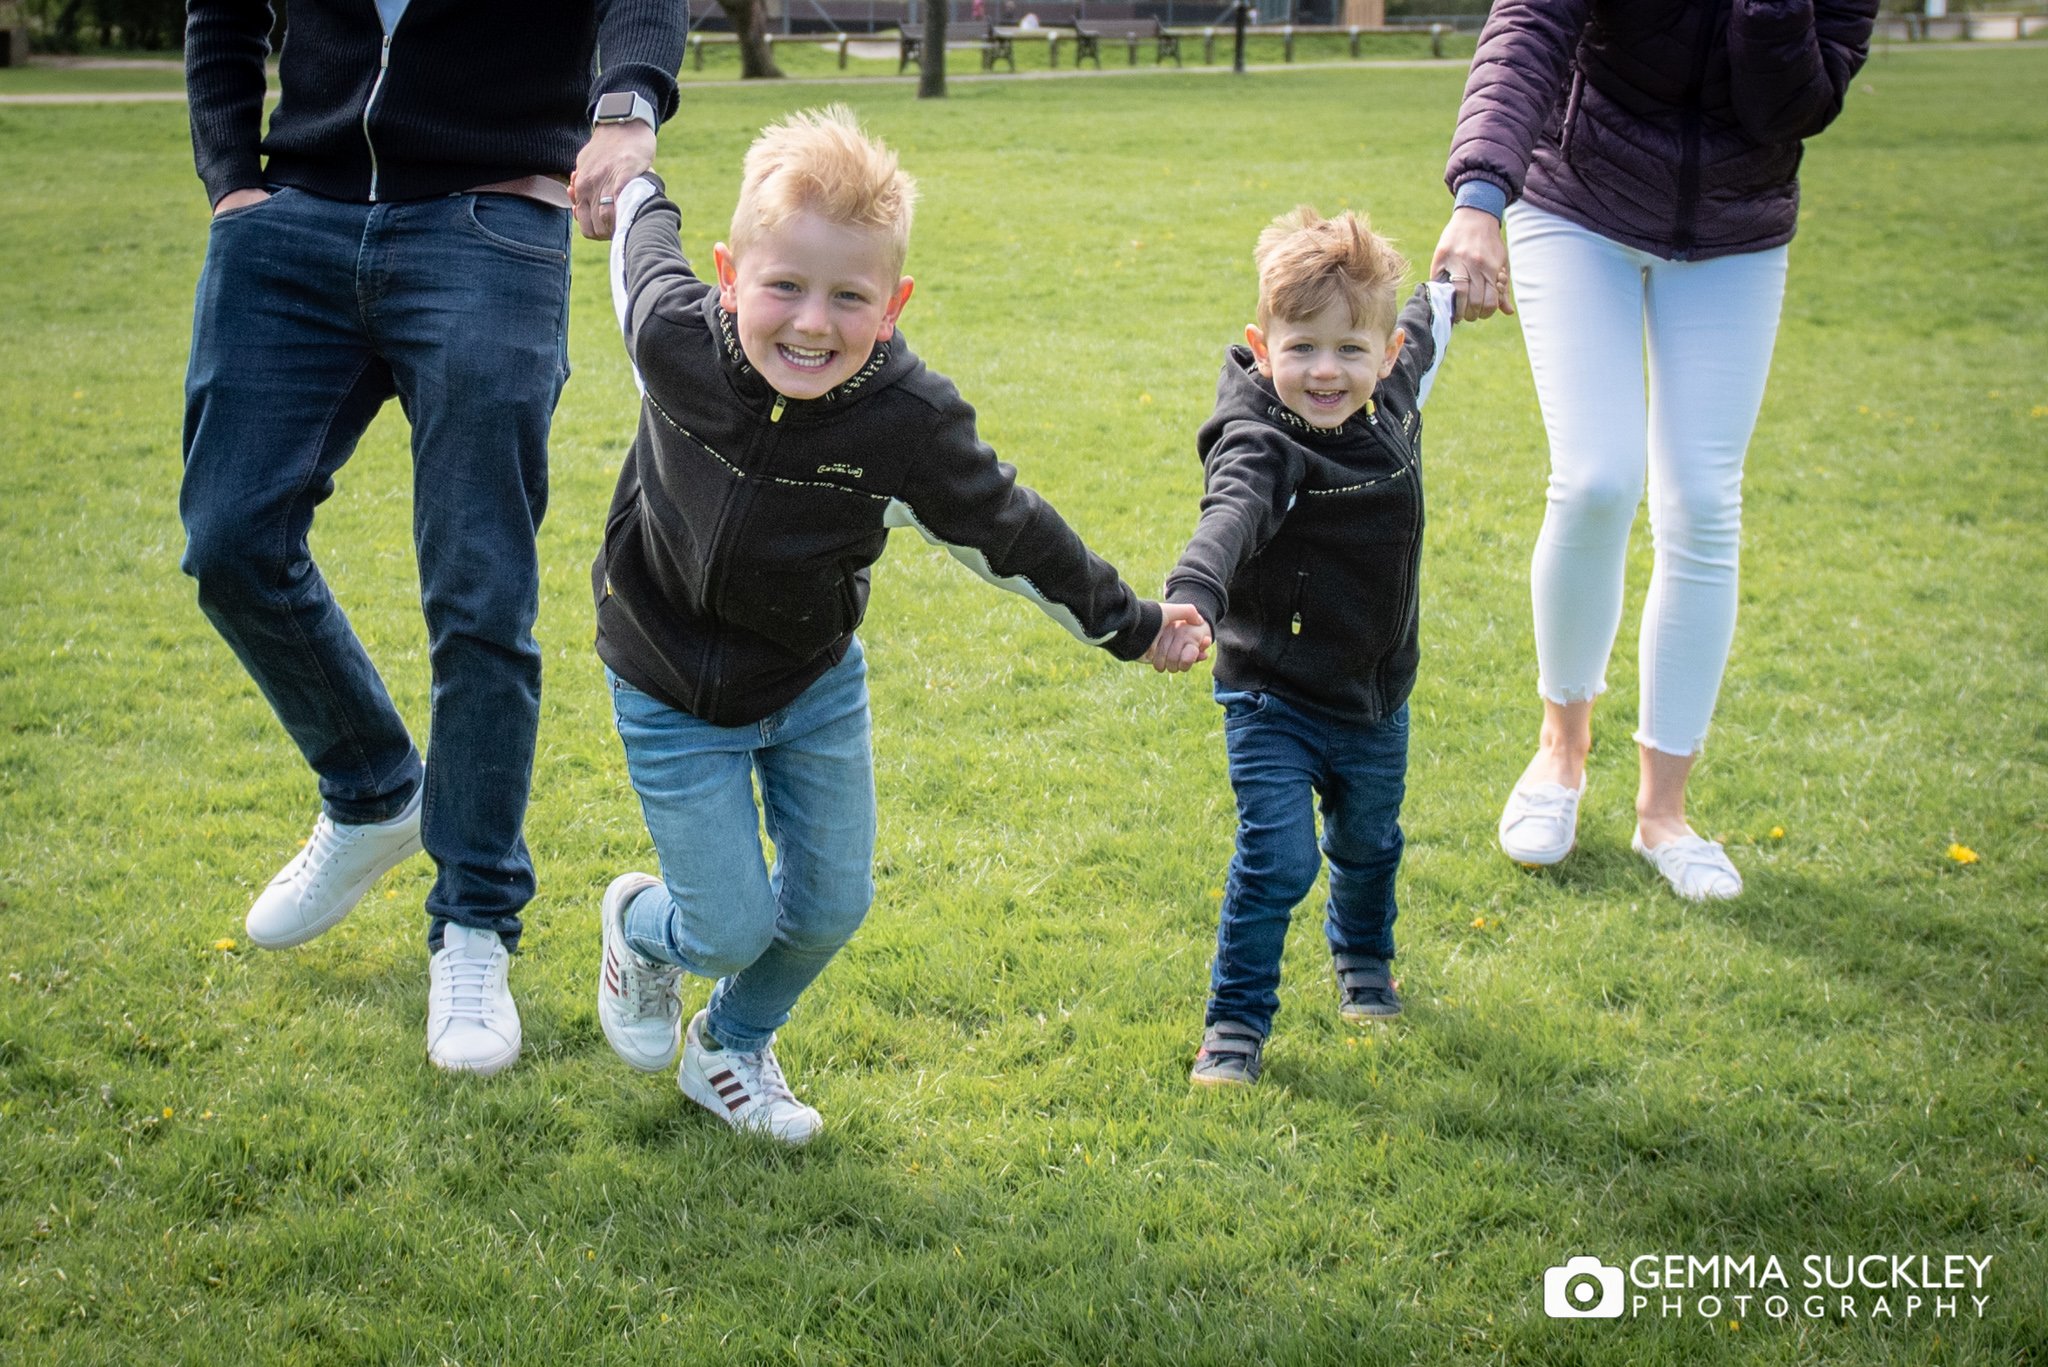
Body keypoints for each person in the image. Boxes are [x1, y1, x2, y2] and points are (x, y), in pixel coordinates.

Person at [588, 107, 1211, 1144]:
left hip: (810, 687)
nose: (811, 323)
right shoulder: (669, 336)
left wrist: (1132, 624)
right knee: (726, 922)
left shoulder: (905, 424)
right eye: (783, 285)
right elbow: (640, 242)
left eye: (849, 296)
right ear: (729, 273)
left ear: (894, 304)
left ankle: (730, 1042)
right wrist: (634, 174)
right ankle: (642, 930)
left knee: (830, 904)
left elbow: (1014, 534)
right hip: (664, 684)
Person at [178, 0, 686, 1075]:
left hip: (488, 224)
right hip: (293, 219)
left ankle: (472, 925)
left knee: (478, 593)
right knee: (230, 540)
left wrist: (628, 105)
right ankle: (373, 790)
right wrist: (231, 182)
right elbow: (220, 11)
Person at [1434, 0, 1877, 899]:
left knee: (1704, 502)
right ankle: (1560, 755)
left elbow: (1799, 104)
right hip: (1578, 199)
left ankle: (1663, 814)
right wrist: (1481, 195)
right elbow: (1530, 30)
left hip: (1737, 228)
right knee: (1598, 478)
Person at [1163, 207, 1457, 1087]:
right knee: (1280, 857)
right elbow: (1231, 516)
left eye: (1349, 351)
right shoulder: (1261, 442)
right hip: (1272, 697)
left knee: (1369, 841)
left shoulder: (1394, 396)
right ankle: (1235, 1024)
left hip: (1373, 697)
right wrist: (1193, 594)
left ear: (1384, 356)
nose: (1325, 372)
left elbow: (1428, 326)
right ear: (1262, 347)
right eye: (1300, 350)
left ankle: (1364, 957)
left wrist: (1454, 280)